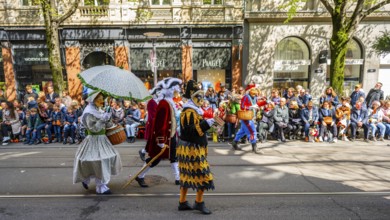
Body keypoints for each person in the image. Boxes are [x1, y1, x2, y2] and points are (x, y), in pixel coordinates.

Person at [134, 78, 182, 188]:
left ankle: (177, 178)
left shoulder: (170, 102)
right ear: (170, 90)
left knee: (174, 157)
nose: (178, 91)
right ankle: (140, 176)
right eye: (176, 89)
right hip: (163, 138)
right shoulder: (164, 104)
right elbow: (160, 124)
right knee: (155, 159)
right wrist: (161, 141)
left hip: (171, 136)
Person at [177, 80, 215, 215]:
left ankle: (182, 202)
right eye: (198, 96)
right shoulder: (189, 111)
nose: (201, 99)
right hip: (191, 149)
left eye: (201, 96)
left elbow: (194, 130)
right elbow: (190, 131)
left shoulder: (193, 110)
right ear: (192, 97)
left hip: (188, 147)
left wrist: (208, 124)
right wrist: (206, 124)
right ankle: (198, 202)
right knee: (203, 175)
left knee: (187, 175)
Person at [73, 90, 122, 195]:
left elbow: (107, 125)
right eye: (98, 97)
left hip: (102, 139)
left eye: (101, 97)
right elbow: (93, 128)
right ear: (92, 99)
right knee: (98, 161)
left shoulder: (99, 109)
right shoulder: (88, 112)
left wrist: (109, 118)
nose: (101, 100)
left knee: (111, 157)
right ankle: (101, 187)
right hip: (93, 139)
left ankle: (89, 180)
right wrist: (102, 120)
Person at [231, 85, 259, 152]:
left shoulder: (255, 97)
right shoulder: (246, 97)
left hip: (252, 116)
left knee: (242, 132)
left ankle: (234, 143)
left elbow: (257, 104)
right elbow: (243, 107)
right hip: (246, 117)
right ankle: (254, 146)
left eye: (255, 94)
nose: (254, 95)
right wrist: (251, 107)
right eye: (253, 94)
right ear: (249, 92)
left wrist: (265, 102)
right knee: (252, 131)